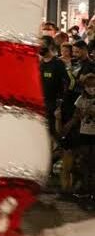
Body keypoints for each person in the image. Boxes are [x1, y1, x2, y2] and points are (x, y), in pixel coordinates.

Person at [61, 73, 95, 209]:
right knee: (85, 161)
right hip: (85, 133)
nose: (91, 88)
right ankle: (86, 189)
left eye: (93, 86)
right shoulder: (81, 99)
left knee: (93, 162)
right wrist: (68, 126)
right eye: (89, 86)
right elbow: (76, 116)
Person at [40, 36, 70, 139]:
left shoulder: (57, 63)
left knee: (52, 131)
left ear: (50, 46)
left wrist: (61, 100)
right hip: (40, 102)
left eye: (43, 45)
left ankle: (58, 150)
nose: (40, 47)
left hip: (53, 103)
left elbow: (67, 82)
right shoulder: (39, 64)